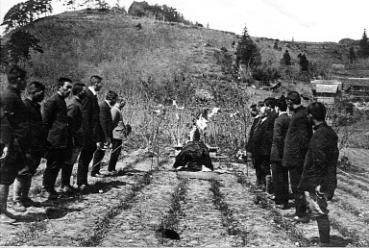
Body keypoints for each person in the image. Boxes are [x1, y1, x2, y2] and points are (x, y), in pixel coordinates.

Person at [298, 102, 339, 245]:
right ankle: (324, 241)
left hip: (319, 182)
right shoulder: (329, 132)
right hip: (326, 179)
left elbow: (320, 162)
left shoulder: (319, 135)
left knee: (320, 211)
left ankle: (325, 243)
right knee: (319, 211)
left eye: (308, 115)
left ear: (311, 116)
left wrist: (319, 184)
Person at [0, 66, 30, 223]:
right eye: (24, 79)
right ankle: (1, 212)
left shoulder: (14, 95)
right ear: (19, 80)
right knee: (4, 177)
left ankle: (3, 208)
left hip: (15, 143)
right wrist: (6, 145)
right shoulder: (9, 97)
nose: (26, 82)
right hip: (10, 143)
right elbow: (4, 123)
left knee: (8, 176)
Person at [13, 81, 46, 212]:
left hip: (35, 147)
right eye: (41, 93)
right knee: (22, 173)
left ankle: (25, 198)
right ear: (33, 92)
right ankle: (16, 200)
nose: (43, 95)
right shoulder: (23, 106)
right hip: (25, 147)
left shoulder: (36, 106)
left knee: (29, 173)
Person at [283, 91, 312, 222]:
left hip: (296, 159)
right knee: (297, 186)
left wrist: (298, 158)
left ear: (289, 102)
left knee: (297, 186)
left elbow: (303, 140)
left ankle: (301, 214)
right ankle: (300, 212)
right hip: (297, 157)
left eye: (287, 101)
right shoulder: (301, 113)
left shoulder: (299, 116)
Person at [42, 77, 73, 200]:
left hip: (61, 140)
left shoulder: (62, 101)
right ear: (59, 87)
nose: (69, 90)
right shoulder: (52, 101)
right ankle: (46, 189)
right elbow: (46, 123)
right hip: (53, 141)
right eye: (67, 87)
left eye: (71, 88)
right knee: (52, 165)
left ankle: (51, 189)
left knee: (57, 165)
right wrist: (45, 141)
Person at [77, 75, 103, 191]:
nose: (101, 86)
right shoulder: (88, 96)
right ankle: (81, 183)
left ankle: (83, 182)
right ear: (96, 83)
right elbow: (86, 118)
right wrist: (89, 136)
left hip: (91, 134)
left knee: (86, 158)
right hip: (87, 135)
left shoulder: (92, 95)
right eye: (100, 83)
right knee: (84, 158)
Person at [61, 83, 86, 194]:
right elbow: (69, 123)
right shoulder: (74, 104)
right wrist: (73, 137)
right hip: (73, 139)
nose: (85, 93)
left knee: (70, 162)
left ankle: (67, 185)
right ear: (79, 92)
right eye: (84, 91)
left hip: (76, 138)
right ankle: (65, 185)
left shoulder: (77, 103)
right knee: (68, 162)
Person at [91, 91, 118, 176]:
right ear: (111, 99)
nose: (116, 102)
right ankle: (94, 172)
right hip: (102, 135)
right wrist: (107, 137)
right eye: (115, 99)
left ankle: (96, 171)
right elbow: (103, 123)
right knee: (99, 153)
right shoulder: (103, 106)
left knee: (101, 153)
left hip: (104, 135)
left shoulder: (106, 106)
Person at [270, 95, 290, 209]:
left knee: (277, 178)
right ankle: (285, 200)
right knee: (284, 178)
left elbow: (277, 138)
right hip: (286, 153)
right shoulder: (289, 119)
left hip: (277, 154)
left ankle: (280, 201)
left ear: (277, 107)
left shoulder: (278, 120)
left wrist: (280, 151)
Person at [252, 98, 276, 191]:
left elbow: (267, 137)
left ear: (265, 113)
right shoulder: (260, 121)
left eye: (261, 113)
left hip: (264, 150)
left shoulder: (267, 122)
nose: (259, 114)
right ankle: (261, 184)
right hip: (258, 149)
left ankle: (267, 188)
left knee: (265, 168)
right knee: (258, 166)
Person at [108, 97, 129, 173]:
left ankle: (112, 168)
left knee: (117, 152)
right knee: (115, 152)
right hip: (115, 135)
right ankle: (111, 169)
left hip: (119, 134)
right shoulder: (115, 110)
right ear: (121, 102)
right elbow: (111, 123)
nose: (124, 105)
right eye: (124, 103)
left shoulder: (118, 110)